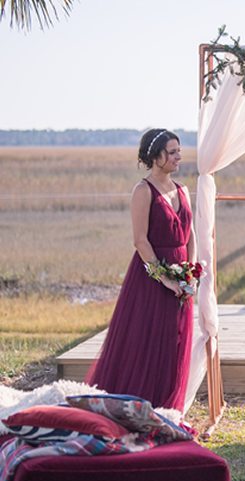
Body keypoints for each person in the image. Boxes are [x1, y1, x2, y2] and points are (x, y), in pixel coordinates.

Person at [86, 128, 195, 411]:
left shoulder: (182, 189)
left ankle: (169, 408)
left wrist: (189, 272)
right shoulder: (143, 191)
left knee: (176, 342)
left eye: (178, 151)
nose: (178, 156)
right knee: (148, 342)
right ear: (155, 156)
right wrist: (164, 279)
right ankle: (140, 406)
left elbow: (189, 233)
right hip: (150, 278)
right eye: (172, 152)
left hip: (182, 279)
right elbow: (140, 241)